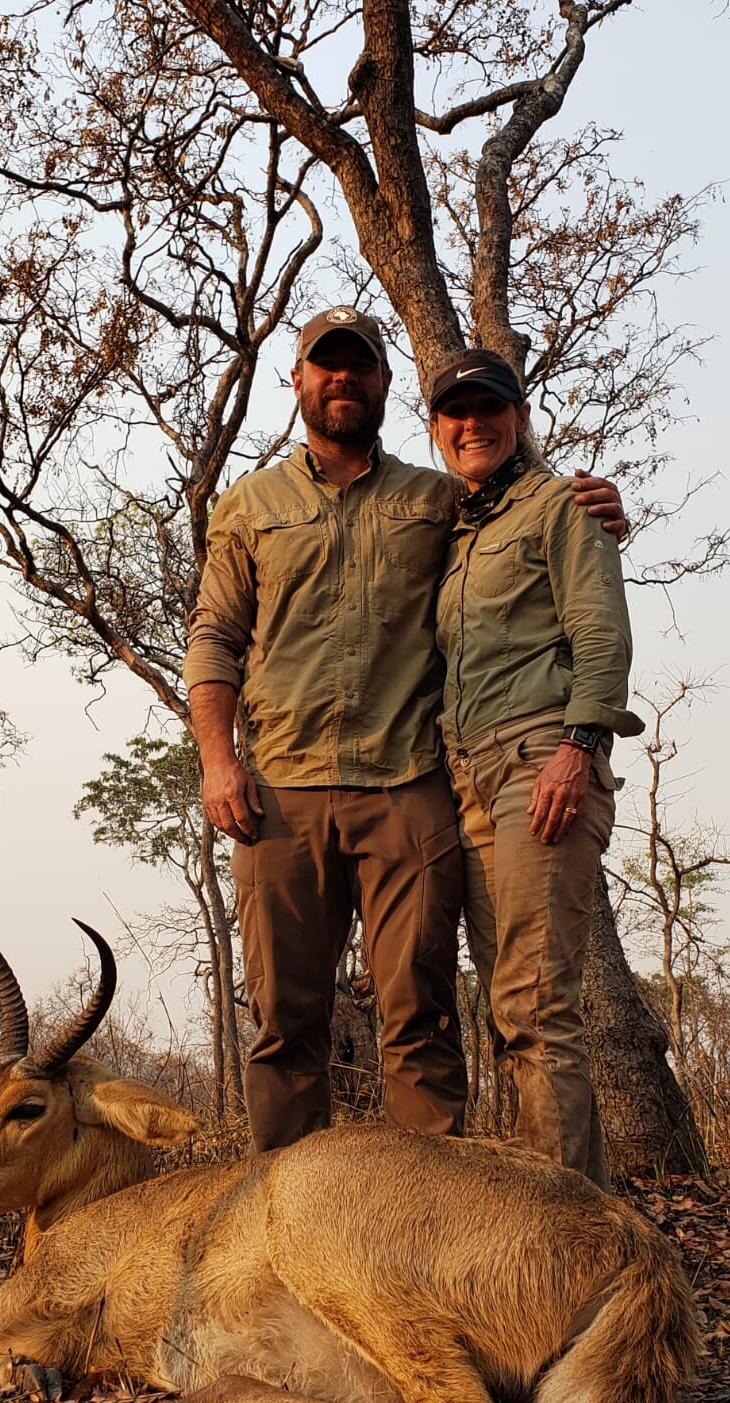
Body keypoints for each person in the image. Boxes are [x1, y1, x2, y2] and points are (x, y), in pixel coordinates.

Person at [183, 308, 627, 1152]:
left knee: (419, 1017)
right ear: (300, 380)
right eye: (327, 365)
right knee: (282, 1020)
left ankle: (425, 1232)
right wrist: (217, 760)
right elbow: (214, 636)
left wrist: (598, 508)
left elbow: (531, 529)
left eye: (361, 366)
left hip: (411, 789)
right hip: (280, 791)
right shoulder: (250, 506)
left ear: (386, 386)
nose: (343, 378)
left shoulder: (437, 501)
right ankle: (283, 1233)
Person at [429, 348, 645, 1191]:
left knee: (536, 1008)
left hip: (540, 761)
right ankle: (572, 1215)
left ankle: (562, 1236)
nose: (473, 423)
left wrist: (578, 749)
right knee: (510, 1010)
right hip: (465, 776)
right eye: (456, 412)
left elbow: (601, 636)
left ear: (519, 418)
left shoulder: (562, 504)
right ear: (439, 429)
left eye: (490, 408)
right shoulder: (450, 527)